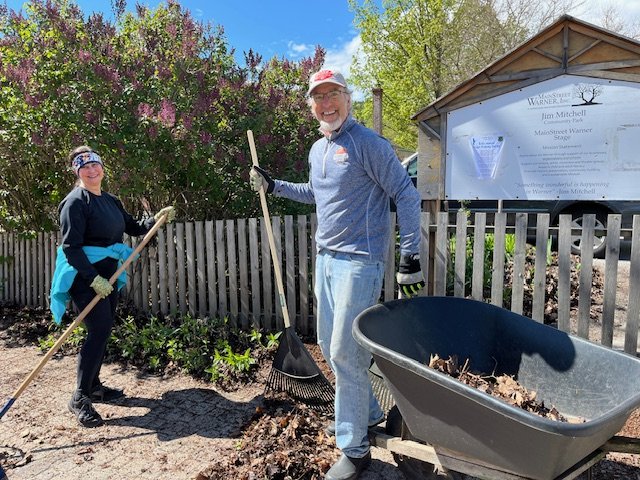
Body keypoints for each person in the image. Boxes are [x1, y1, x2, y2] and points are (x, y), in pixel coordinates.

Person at [250, 69, 424, 480]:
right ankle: (366, 414)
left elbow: (405, 192)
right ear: (311, 106)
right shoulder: (318, 149)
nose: (326, 104)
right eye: (318, 97)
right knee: (330, 345)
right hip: (326, 258)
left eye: (333, 95)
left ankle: (355, 447)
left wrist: (409, 253)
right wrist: (274, 186)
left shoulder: (368, 144)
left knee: (346, 352)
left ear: (347, 98)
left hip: (360, 261)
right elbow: (315, 193)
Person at [50, 145, 175, 428]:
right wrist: (92, 278)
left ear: (101, 167)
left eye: (95, 165)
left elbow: (132, 226)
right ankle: (80, 396)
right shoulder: (75, 203)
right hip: (85, 277)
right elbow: (70, 247)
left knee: (104, 329)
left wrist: (156, 220)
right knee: (99, 329)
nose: (92, 171)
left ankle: (94, 386)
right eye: (85, 167)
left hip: (109, 277)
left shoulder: (111, 201)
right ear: (77, 171)